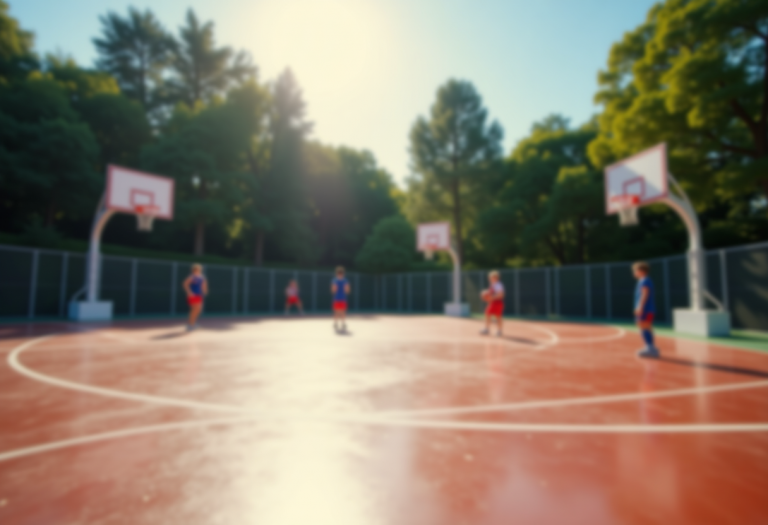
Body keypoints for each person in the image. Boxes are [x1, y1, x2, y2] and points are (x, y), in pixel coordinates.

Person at [633, 261, 659, 358]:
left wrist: (640, 307)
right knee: (646, 327)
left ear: (641, 271)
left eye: (635, 270)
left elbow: (645, 294)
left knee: (643, 326)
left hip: (646, 309)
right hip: (648, 309)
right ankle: (651, 347)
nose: (634, 272)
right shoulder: (644, 280)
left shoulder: (644, 280)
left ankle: (649, 348)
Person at [183, 263, 208, 331]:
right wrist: (189, 292)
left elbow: (203, 285)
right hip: (193, 295)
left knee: (199, 309)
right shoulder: (192, 277)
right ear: (193, 270)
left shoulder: (202, 277)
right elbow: (185, 284)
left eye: (199, 269)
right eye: (196, 269)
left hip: (199, 295)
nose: (197, 270)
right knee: (195, 309)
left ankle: (193, 323)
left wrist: (205, 291)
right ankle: (191, 325)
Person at [480, 270, 505, 336]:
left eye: (491, 277)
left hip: (497, 303)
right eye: (489, 277)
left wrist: (491, 297)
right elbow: (490, 293)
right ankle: (487, 329)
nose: (489, 278)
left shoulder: (498, 285)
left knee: (498, 317)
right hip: (493, 302)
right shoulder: (493, 284)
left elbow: (501, 295)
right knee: (487, 314)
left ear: (496, 278)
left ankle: (499, 331)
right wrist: (485, 294)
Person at [331, 266, 351, 332]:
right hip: (343, 298)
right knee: (343, 312)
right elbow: (347, 290)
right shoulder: (345, 280)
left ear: (336, 273)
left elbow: (334, 290)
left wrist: (335, 290)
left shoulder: (335, 280)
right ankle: (343, 323)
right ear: (343, 273)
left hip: (336, 298)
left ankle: (335, 323)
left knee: (336, 312)